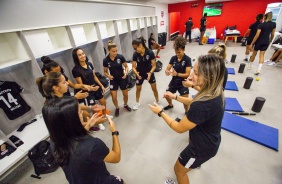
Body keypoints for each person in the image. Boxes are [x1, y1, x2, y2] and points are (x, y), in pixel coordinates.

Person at [148, 54, 225, 184]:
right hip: (209, 139)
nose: (190, 76)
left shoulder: (202, 106)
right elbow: (194, 100)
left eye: (195, 73)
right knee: (187, 166)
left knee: (178, 170)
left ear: (209, 77)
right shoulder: (215, 91)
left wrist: (160, 112)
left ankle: (194, 163)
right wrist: (175, 97)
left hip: (201, 148)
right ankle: (196, 163)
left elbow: (179, 128)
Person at [42, 96, 125, 184]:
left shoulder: (54, 141)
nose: (82, 113)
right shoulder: (93, 146)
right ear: (72, 120)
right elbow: (116, 158)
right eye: (80, 112)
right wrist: (114, 132)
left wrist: (88, 125)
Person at [36, 72, 107, 131]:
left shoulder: (57, 100)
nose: (67, 83)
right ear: (55, 88)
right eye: (64, 82)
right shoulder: (60, 107)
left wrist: (91, 107)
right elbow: (74, 126)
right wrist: (92, 122)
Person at [72, 48, 110, 130]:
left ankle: (104, 115)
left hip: (96, 88)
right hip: (88, 92)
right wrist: (90, 88)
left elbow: (94, 76)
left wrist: (101, 86)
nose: (82, 56)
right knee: (95, 108)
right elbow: (81, 84)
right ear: (76, 57)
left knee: (103, 102)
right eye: (79, 55)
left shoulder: (89, 64)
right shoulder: (75, 70)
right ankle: (98, 122)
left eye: (83, 53)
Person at [131, 37, 162, 110]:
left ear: (141, 45)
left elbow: (154, 65)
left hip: (149, 72)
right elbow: (133, 67)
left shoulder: (150, 52)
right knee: (138, 89)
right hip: (140, 74)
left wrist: (150, 73)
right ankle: (137, 103)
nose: (135, 50)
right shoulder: (135, 54)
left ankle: (158, 102)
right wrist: (137, 74)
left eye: (136, 48)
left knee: (154, 88)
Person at [103, 40, 132, 117]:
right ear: (109, 51)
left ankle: (125, 105)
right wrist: (108, 76)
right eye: (113, 51)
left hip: (122, 78)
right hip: (113, 80)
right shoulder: (105, 60)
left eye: (116, 51)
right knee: (114, 97)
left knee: (125, 94)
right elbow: (105, 72)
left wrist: (126, 72)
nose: (115, 53)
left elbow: (126, 66)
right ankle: (117, 107)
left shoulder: (120, 57)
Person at [164, 36, 191, 113]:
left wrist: (177, 74)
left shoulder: (187, 59)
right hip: (174, 81)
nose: (177, 54)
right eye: (176, 52)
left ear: (184, 50)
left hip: (183, 83)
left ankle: (186, 111)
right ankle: (170, 105)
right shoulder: (173, 58)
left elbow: (187, 74)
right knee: (167, 94)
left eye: (179, 52)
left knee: (185, 100)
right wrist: (167, 72)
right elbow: (167, 69)